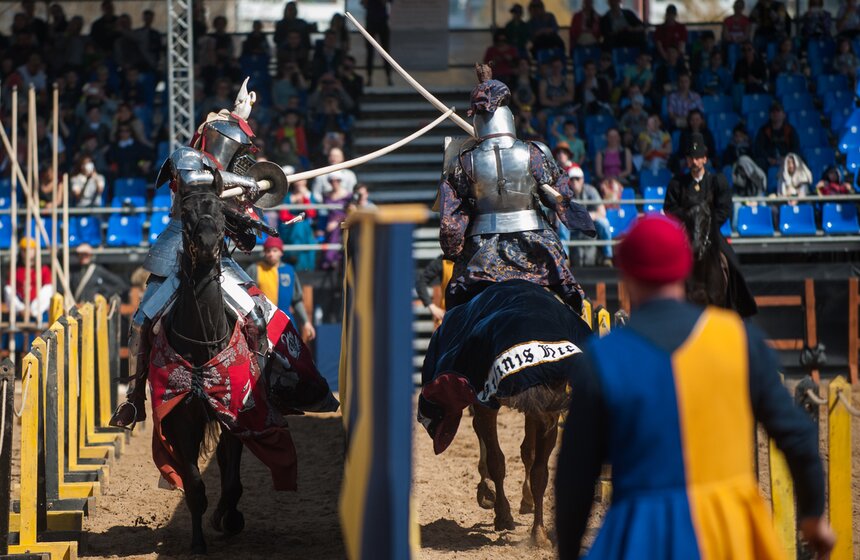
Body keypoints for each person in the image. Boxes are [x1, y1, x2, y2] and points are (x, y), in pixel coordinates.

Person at [555, 214, 835, 560]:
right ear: (685, 267)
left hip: (641, 535)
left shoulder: (604, 356)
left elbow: (575, 475)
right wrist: (813, 519)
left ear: (625, 273)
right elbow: (799, 437)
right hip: (730, 533)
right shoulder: (736, 338)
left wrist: (567, 550)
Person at [109, 78, 338, 430]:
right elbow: (201, 185)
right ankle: (134, 399)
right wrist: (248, 185)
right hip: (177, 255)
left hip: (218, 262)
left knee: (264, 318)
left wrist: (253, 211)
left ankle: (269, 391)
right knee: (141, 321)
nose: (245, 160)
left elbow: (247, 239)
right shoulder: (186, 158)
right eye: (240, 151)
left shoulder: (236, 188)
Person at [437, 64, 594, 310]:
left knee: (455, 310)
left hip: (482, 251)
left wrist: (453, 250)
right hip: (537, 246)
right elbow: (560, 196)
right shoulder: (535, 152)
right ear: (510, 118)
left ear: (477, 119)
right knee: (572, 299)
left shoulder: (463, 161)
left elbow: (450, 223)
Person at [665, 133, 757, 316]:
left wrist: (708, 226)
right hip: (686, 233)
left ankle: (738, 307)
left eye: (698, 158)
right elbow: (670, 208)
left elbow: (724, 209)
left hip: (711, 232)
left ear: (705, 159)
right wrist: (689, 220)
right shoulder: (677, 183)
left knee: (731, 262)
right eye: (691, 158)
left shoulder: (717, 181)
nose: (695, 162)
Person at [245, 237, 315, 342]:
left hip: (285, 321)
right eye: (268, 251)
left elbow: (297, 300)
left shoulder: (289, 271)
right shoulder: (255, 269)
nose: (271, 254)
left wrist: (306, 322)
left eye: (274, 250)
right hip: (262, 321)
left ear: (281, 252)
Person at [569, 164, 612, 267]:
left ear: (582, 180)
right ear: (569, 181)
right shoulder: (566, 193)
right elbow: (561, 214)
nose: (575, 182)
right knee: (561, 225)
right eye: (572, 179)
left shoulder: (591, 190)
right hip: (574, 223)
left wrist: (586, 216)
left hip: (590, 222)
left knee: (604, 223)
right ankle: (564, 257)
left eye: (577, 179)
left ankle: (607, 256)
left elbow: (602, 212)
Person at [4, 237, 53, 320]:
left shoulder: (43, 269)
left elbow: (47, 290)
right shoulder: (15, 269)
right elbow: (9, 290)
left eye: (30, 249)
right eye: (24, 250)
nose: (27, 252)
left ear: (35, 251)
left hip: (39, 313)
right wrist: (21, 308)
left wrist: (34, 309)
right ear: (21, 251)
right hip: (19, 312)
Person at [754, 101, 801, 171]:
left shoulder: (790, 130)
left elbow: (795, 148)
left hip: (786, 159)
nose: (775, 114)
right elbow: (758, 148)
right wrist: (768, 158)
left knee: (801, 160)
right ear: (770, 115)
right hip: (769, 160)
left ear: (784, 115)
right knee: (759, 162)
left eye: (778, 111)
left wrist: (787, 158)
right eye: (773, 112)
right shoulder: (763, 130)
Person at [362, 0, 393, 86]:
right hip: (371, 20)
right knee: (370, 52)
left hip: (382, 21)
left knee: (385, 51)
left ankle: (388, 77)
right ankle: (369, 77)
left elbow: (388, 2)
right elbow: (364, 4)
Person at [415, 254, 447, 324]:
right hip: (446, 317)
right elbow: (421, 282)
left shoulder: (469, 259)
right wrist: (432, 307)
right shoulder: (441, 262)